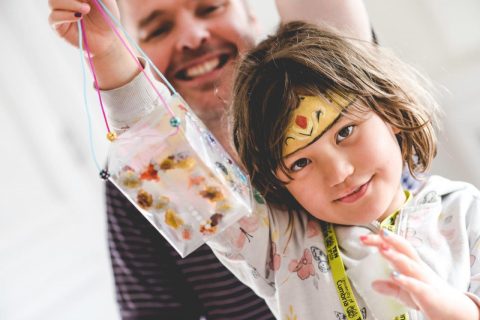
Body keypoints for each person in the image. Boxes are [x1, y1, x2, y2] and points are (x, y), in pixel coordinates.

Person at [48, 0, 377, 319]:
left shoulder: (426, 215)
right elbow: (161, 153)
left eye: (210, 7)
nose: (339, 171)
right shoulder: (276, 249)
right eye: (159, 29)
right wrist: (108, 51)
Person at [216, 21, 480, 319]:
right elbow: (175, 164)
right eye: (300, 162)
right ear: (277, 182)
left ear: (388, 109)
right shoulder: (280, 242)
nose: (339, 173)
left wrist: (447, 306)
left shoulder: (465, 211)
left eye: (345, 132)